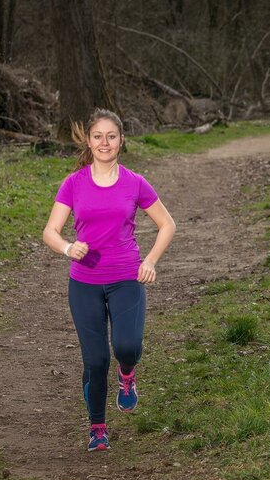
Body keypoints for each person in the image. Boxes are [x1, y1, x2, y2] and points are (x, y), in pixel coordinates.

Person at [42, 108, 176, 452]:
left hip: (126, 278)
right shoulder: (73, 183)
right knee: (96, 360)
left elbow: (167, 224)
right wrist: (68, 247)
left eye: (111, 136)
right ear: (89, 141)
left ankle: (127, 376)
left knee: (126, 347)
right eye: (98, 136)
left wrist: (151, 260)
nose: (105, 142)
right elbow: (50, 231)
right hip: (84, 282)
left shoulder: (135, 182)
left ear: (121, 140)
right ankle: (98, 427)